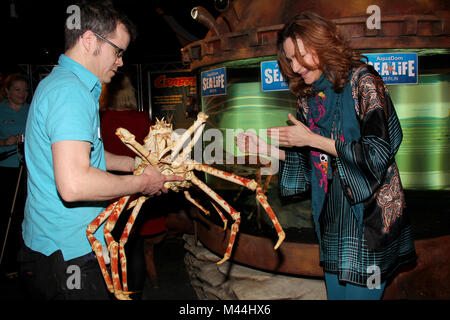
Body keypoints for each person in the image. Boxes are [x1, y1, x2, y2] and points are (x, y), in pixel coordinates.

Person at [236, 12, 416, 300]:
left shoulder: (363, 81)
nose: (294, 67)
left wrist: (311, 139)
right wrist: (266, 149)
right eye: (289, 60)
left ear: (321, 44)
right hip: (332, 220)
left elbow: (379, 152)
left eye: (299, 56)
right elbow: (315, 166)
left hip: (367, 221)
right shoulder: (309, 98)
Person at [19, 1, 182, 300]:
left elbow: (82, 156)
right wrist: (144, 182)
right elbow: (74, 184)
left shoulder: (57, 83)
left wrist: (134, 163)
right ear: (90, 39)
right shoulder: (72, 93)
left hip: (47, 243)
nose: (120, 62)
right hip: (68, 254)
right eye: (117, 51)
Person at [0, 73, 29, 277]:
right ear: (7, 91)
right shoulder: (0, 110)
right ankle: (8, 263)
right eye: (17, 90)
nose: (22, 94)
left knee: (27, 217)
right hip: (6, 170)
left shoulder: (31, 110)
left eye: (25, 90)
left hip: (28, 170)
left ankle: (27, 263)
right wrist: (5, 142)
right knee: (7, 218)